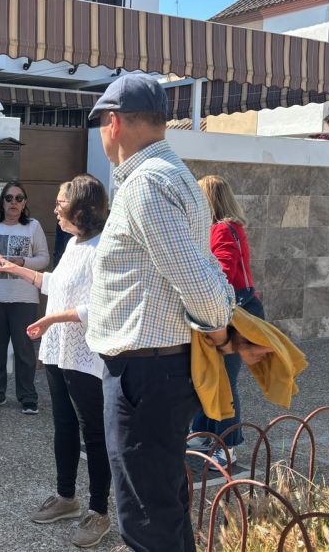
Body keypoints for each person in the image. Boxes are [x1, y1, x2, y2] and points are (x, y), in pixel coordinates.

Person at [84, 74, 267, 552]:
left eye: (101, 122)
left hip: (146, 375)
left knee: (147, 516)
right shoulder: (172, 175)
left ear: (115, 122)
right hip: (154, 370)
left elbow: (201, 286)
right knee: (162, 503)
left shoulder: (146, 185)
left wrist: (224, 335)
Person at [0, 175, 113, 548]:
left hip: (86, 355)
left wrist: (51, 320)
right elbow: (55, 286)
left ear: (81, 207)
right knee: (63, 426)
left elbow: (99, 307)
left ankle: (98, 512)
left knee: (93, 433)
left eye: (61, 203)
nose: (55, 210)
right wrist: (17, 270)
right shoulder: (74, 243)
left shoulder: (103, 249)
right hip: (59, 351)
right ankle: (66, 498)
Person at [189, 175, 266, 467]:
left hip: (234, 315)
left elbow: (221, 271)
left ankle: (230, 444)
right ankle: (203, 430)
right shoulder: (227, 227)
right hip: (233, 311)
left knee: (224, 379)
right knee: (213, 375)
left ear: (207, 200)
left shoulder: (222, 230)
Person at [0, 181, 48, 415]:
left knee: (24, 349)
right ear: (2, 202)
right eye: (9, 198)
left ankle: (27, 396)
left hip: (23, 298)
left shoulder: (33, 227)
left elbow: (43, 258)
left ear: (25, 203)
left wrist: (22, 262)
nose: (13, 202)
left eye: (19, 198)